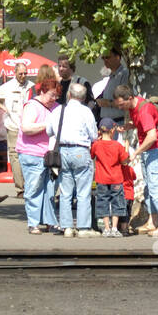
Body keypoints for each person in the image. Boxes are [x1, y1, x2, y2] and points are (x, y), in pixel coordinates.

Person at [112, 84, 158, 236]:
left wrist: (135, 153)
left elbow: (152, 136)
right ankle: (152, 221)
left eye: (122, 104)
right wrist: (128, 126)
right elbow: (142, 124)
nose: (121, 108)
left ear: (130, 98)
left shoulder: (144, 110)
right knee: (149, 186)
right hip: (149, 150)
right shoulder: (136, 106)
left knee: (156, 186)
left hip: (155, 150)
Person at [47, 82, 99, 236]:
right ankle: (83, 227)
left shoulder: (58, 110)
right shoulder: (86, 112)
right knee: (83, 192)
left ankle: (67, 227)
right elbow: (94, 135)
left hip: (62, 150)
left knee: (65, 191)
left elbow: (49, 131)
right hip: (80, 150)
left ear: (69, 95)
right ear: (83, 98)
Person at [18, 67, 61, 234]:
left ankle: (50, 221)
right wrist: (48, 125)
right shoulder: (32, 105)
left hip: (49, 155)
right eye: (52, 95)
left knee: (50, 190)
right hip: (31, 153)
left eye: (56, 95)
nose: (54, 98)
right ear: (43, 91)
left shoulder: (56, 106)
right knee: (34, 188)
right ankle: (33, 223)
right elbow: (27, 127)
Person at [0, 64, 33, 195]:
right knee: (15, 156)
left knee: (28, 154)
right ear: (15, 73)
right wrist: (3, 107)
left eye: (25, 73)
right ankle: (20, 188)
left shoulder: (30, 86)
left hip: (28, 125)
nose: (23, 76)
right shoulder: (8, 86)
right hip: (13, 125)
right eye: (21, 74)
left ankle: (29, 185)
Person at [91, 119, 131, 237]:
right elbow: (125, 162)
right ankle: (114, 227)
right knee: (117, 202)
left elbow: (91, 155)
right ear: (112, 130)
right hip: (116, 178)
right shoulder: (117, 145)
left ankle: (106, 228)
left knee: (102, 202)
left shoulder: (96, 145)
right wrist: (127, 149)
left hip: (101, 178)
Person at [95, 48, 129, 124]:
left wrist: (108, 103)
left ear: (118, 57)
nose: (105, 60)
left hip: (118, 122)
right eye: (103, 58)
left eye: (107, 57)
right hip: (107, 122)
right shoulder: (112, 76)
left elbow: (126, 101)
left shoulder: (124, 74)